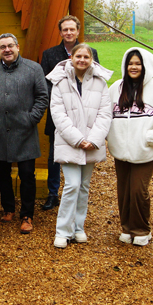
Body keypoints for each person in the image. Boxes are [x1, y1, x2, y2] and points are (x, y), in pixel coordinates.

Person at [107, 48, 153, 247]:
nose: (134, 67)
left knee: (138, 190)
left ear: (145, 65)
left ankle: (141, 229)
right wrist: (110, 137)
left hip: (145, 150)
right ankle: (127, 227)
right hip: (120, 149)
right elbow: (105, 114)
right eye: (130, 63)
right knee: (124, 190)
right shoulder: (116, 88)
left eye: (138, 63)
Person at [47, 44, 112, 248]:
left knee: (83, 186)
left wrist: (93, 139)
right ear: (71, 58)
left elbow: (105, 114)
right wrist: (78, 139)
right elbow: (58, 114)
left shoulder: (101, 83)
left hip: (92, 142)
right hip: (69, 142)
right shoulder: (60, 81)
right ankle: (62, 230)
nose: (82, 60)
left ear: (91, 59)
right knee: (72, 184)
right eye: (78, 56)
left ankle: (78, 227)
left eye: (86, 57)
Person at [0, 33, 48, 235]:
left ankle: (27, 215)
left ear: (17, 47)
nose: (7, 50)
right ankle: (8, 208)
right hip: (0, 132)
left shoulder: (33, 69)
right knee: (2, 174)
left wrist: (31, 119)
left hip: (25, 131)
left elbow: (43, 97)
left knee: (27, 175)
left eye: (10, 45)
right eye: (2, 47)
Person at [40, 15, 100, 211]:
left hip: (84, 112)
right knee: (55, 154)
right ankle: (52, 193)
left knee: (82, 149)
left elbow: (95, 80)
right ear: (60, 32)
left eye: (72, 29)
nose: (68, 33)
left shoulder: (90, 52)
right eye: (65, 29)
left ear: (77, 31)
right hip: (59, 113)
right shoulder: (50, 54)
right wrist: (60, 103)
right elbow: (45, 83)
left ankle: (77, 192)